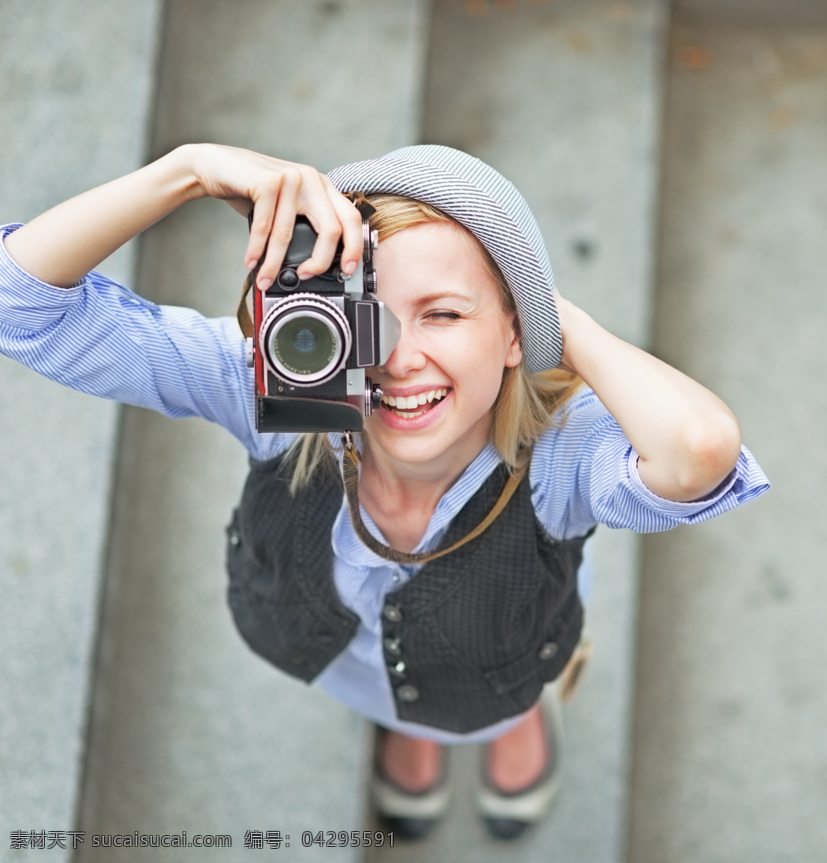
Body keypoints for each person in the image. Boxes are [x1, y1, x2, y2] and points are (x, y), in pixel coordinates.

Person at [0, 143, 769, 840]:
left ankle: (515, 716)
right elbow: (20, 302)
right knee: (406, 696)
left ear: (513, 333)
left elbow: (699, 449)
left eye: (443, 313)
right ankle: (417, 721)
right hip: (344, 658)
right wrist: (188, 170)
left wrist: (539, 308)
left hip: (502, 648)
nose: (398, 359)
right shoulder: (285, 404)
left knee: (496, 694)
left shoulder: (558, 459)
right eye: (368, 317)